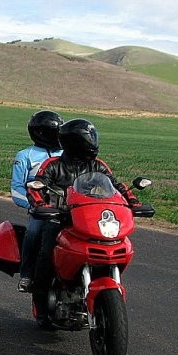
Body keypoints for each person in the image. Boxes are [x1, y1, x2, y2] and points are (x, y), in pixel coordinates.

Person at [27, 118, 140, 292]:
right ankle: (41, 300)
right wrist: (42, 205)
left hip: (89, 218)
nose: (93, 141)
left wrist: (133, 203)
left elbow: (118, 187)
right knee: (47, 255)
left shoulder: (98, 165)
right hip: (61, 218)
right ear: (75, 142)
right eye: (89, 138)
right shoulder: (53, 165)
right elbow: (37, 186)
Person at [10, 110, 64, 292]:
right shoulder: (25, 156)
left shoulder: (66, 153)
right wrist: (33, 205)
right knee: (33, 232)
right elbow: (16, 189)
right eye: (53, 132)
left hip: (67, 207)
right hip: (40, 208)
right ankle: (26, 274)